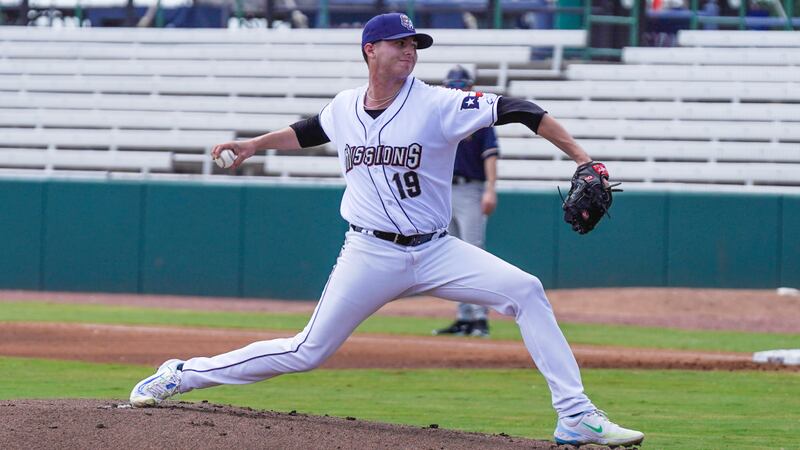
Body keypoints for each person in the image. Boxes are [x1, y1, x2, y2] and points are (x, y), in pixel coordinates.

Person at [130, 13, 644, 447]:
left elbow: (518, 109)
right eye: (400, 43)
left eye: (414, 44)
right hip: (369, 253)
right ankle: (181, 374)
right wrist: (254, 145)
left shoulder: (438, 103)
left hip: (438, 250)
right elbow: (310, 129)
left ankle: (574, 416)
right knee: (308, 350)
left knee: (526, 291)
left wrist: (584, 158)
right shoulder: (346, 106)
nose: (410, 50)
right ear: (370, 50)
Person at [432, 65, 497, 338]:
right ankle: (463, 317)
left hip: (470, 188)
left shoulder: (479, 117)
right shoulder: (438, 117)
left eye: (461, 86)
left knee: (475, 253)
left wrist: (491, 188)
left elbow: (491, 155)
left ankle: (480, 318)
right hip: (444, 190)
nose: (457, 91)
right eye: (454, 86)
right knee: (452, 256)